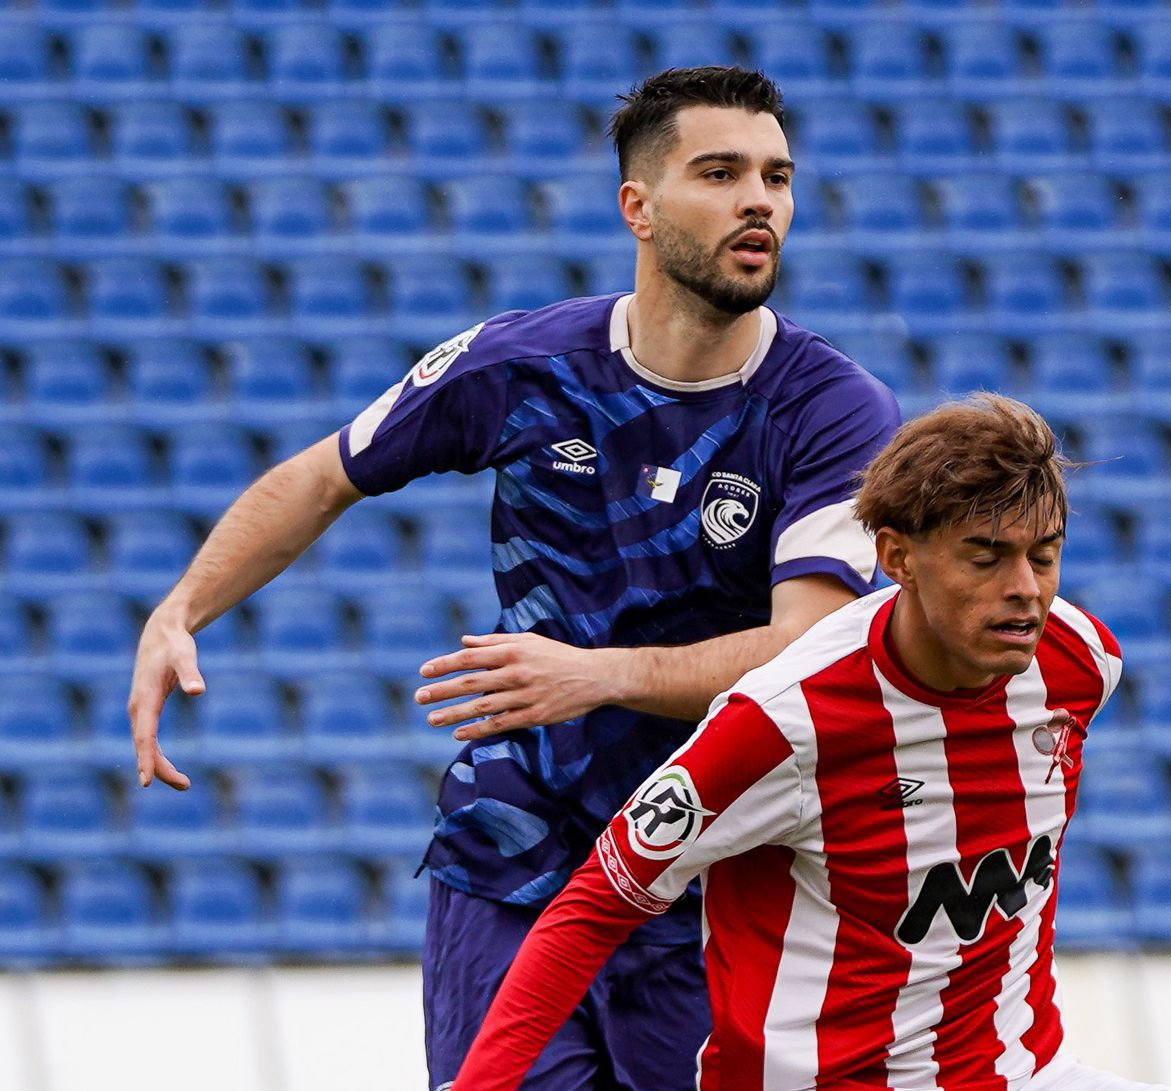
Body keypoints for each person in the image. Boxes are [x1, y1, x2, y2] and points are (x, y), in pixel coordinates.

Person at [126, 66, 901, 1091]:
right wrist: (182, 606)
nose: (759, 199)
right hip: (517, 843)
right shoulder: (523, 365)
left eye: (776, 176)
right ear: (636, 205)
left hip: (709, 861)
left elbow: (806, 644)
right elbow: (322, 474)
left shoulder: (832, 411)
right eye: (720, 172)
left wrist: (600, 674)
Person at [453, 396, 1171, 1091]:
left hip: (1021, 1070)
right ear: (897, 556)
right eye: (985, 557)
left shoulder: (1080, 660)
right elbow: (594, 904)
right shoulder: (781, 720)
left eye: (1042, 557)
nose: (1025, 588)